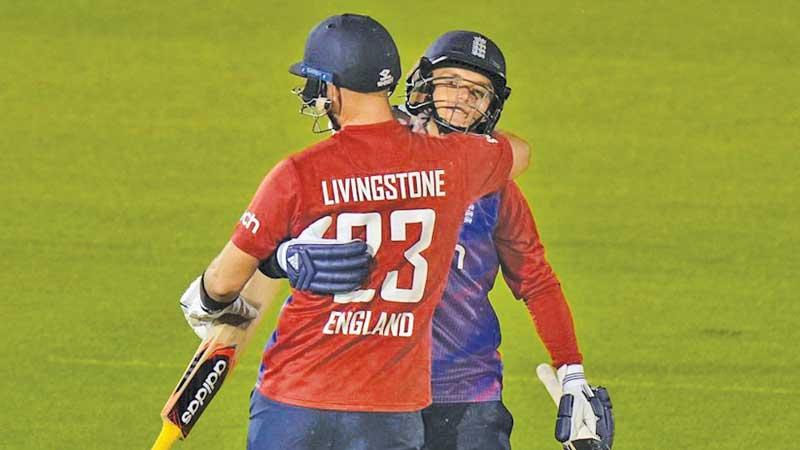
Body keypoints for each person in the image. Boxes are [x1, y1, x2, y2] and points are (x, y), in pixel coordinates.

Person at [177, 14, 530, 450]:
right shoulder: (454, 164)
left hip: (296, 396)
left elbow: (223, 285)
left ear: (332, 88)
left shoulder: (297, 173)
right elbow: (518, 152)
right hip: (391, 411)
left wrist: (265, 266)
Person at [266, 30, 614, 450]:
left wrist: (572, 371)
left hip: (466, 395)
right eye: (450, 83)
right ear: (423, 86)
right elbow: (284, 239)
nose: (462, 98)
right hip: (371, 387)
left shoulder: (497, 189)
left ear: (491, 106)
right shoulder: (366, 164)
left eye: (478, 92)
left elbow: (535, 280)